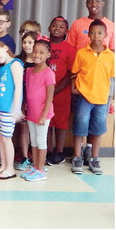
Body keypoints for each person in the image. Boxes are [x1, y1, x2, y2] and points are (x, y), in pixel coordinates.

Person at [70, 19, 114, 175]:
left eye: (100, 33)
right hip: (84, 98)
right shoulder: (82, 53)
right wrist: (75, 89)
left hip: (101, 100)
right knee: (79, 128)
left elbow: (111, 78)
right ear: (88, 35)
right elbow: (74, 73)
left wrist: (110, 100)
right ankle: (77, 157)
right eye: (93, 32)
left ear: (106, 35)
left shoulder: (111, 56)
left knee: (97, 130)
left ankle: (94, 158)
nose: (96, 36)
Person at [0, 41, 24, 179]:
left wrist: (16, 109)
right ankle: (3, 165)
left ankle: (10, 168)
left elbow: (18, 88)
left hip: (9, 110)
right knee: (1, 138)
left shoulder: (15, 64)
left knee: (7, 138)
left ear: (5, 48)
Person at [22, 39, 55, 182]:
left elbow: (49, 98)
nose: (37, 55)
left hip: (42, 114)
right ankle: (35, 166)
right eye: (35, 51)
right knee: (33, 141)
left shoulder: (49, 73)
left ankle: (41, 170)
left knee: (41, 141)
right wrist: (24, 104)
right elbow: (28, 91)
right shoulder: (29, 71)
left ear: (48, 54)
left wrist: (43, 115)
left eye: (41, 52)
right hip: (31, 113)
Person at [46, 16, 75, 165]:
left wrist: (57, 89)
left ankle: (59, 151)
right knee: (47, 121)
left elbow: (71, 72)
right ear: (49, 28)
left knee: (60, 122)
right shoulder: (44, 45)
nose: (57, 29)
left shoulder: (69, 49)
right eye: (54, 26)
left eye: (61, 27)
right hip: (44, 91)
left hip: (61, 92)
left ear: (66, 31)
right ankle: (48, 150)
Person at [14, 31, 37, 171]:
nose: (27, 45)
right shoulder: (18, 61)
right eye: (24, 42)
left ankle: (36, 158)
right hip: (21, 99)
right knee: (23, 129)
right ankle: (24, 157)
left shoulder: (39, 61)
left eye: (30, 42)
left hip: (35, 100)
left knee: (35, 130)